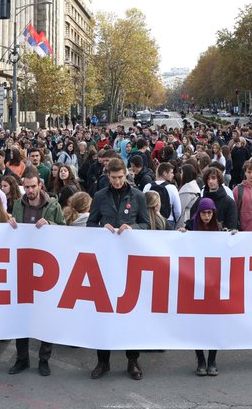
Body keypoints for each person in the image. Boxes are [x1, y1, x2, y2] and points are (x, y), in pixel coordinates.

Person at [87, 158, 150, 380]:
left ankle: (132, 360)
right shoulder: (99, 196)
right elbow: (90, 225)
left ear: (126, 174)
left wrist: (130, 227)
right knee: (103, 313)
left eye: (120, 177)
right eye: (113, 178)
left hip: (129, 262)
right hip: (105, 263)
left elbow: (146, 225)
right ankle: (102, 362)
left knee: (130, 314)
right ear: (108, 176)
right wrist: (99, 228)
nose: (116, 181)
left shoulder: (138, 196)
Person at [7, 169, 64, 376]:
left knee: (45, 315)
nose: (30, 190)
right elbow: (10, 231)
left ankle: (44, 359)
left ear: (40, 185)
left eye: (33, 186)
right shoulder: (17, 205)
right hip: (23, 266)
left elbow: (65, 230)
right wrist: (10, 224)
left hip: (46, 268)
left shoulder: (53, 205)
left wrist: (51, 224)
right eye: (27, 187)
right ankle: (22, 358)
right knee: (21, 315)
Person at [178, 197, 233, 375]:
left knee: (214, 323)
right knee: (197, 324)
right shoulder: (189, 226)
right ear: (198, 213)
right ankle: (200, 359)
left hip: (214, 284)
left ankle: (212, 359)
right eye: (203, 213)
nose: (207, 216)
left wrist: (231, 236)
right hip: (194, 282)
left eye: (210, 213)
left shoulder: (219, 228)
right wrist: (180, 234)